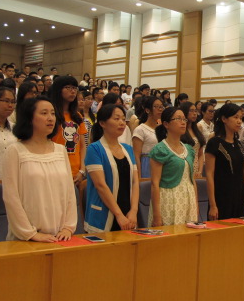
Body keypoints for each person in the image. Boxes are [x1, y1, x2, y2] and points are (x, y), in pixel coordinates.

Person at [2, 97, 76, 242]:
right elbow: (11, 197)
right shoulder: (15, 151)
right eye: (44, 113)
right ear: (29, 118)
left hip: (60, 236)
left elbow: (70, 193)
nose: (50, 118)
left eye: (53, 113)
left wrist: (68, 227)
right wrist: (30, 234)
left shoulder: (60, 150)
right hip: (26, 238)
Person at [85, 103, 139, 232]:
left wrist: (134, 210)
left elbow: (135, 182)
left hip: (128, 215)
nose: (122, 123)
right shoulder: (94, 149)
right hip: (103, 215)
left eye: (123, 119)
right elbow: (100, 185)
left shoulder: (128, 149)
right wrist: (118, 215)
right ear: (102, 123)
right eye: (116, 118)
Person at [150, 107, 198, 226]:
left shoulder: (189, 149)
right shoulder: (160, 149)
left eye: (184, 119)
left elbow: (192, 180)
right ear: (166, 124)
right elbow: (155, 184)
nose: (183, 122)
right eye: (178, 119)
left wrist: (196, 206)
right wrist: (156, 215)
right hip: (168, 200)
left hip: (188, 199)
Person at [205, 103, 244, 220]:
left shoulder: (239, 144)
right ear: (224, 119)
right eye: (235, 117)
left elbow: (241, 176)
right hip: (221, 199)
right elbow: (209, 174)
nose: (239, 121)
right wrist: (213, 205)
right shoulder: (214, 143)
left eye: (240, 118)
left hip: (237, 199)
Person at [49, 76, 87, 185]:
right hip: (56, 170)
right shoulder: (51, 115)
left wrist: (82, 170)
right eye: (68, 87)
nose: (72, 91)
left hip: (76, 172)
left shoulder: (77, 116)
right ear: (58, 90)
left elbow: (83, 146)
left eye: (74, 88)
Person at [132, 95, 163, 178]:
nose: (160, 109)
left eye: (161, 107)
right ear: (147, 110)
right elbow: (136, 156)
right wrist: (138, 177)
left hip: (161, 164)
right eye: (156, 107)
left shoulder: (162, 129)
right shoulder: (140, 130)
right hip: (147, 165)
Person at [180, 101, 206, 178]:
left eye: (195, 111)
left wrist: (200, 171)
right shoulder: (180, 130)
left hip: (197, 170)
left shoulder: (198, 128)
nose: (194, 113)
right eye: (191, 111)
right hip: (183, 169)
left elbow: (200, 154)